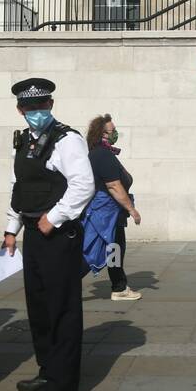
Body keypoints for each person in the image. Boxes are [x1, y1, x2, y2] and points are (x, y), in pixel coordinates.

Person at [1, 78, 94, 391]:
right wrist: (11, 228)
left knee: (62, 310)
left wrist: (54, 217)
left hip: (57, 235)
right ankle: (47, 370)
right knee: (39, 307)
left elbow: (84, 185)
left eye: (41, 106)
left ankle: (63, 386)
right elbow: (19, 185)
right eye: (29, 107)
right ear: (20, 110)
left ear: (50, 106)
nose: (35, 112)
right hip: (32, 232)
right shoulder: (25, 141)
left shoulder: (67, 140)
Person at [85, 113, 142, 301]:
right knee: (94, 251)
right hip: (106, 213)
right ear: (103, 133)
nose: (115, 133)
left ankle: (119, 286)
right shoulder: (101, 154)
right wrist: (131, 209)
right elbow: (114, 185)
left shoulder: (103, 152)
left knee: (114, 249)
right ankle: (61, 286)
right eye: (113, 130)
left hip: (111, 212)